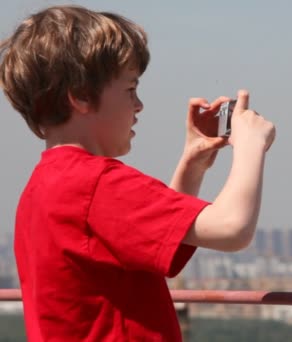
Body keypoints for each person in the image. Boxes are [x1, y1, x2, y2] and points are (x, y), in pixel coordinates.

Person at [0, 5, 275, 341]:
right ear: (81, 97)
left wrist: (193, 161)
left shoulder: (44, 187)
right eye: (131, 89)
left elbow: (160, 241)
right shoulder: (97, 184)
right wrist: (250, 146)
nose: (139, 105)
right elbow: (232, 228)